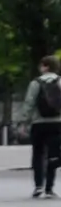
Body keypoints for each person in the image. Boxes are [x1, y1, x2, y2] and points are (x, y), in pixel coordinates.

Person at [26, 56, 61, 198]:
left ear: (45, 67)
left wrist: (25, 118)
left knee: (38, 154)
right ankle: (49, 188)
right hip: (58, 123)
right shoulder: (60, 81)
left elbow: (29, 102)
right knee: (53, 155)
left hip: (39, 123)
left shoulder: (35, 83)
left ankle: (38, 186)